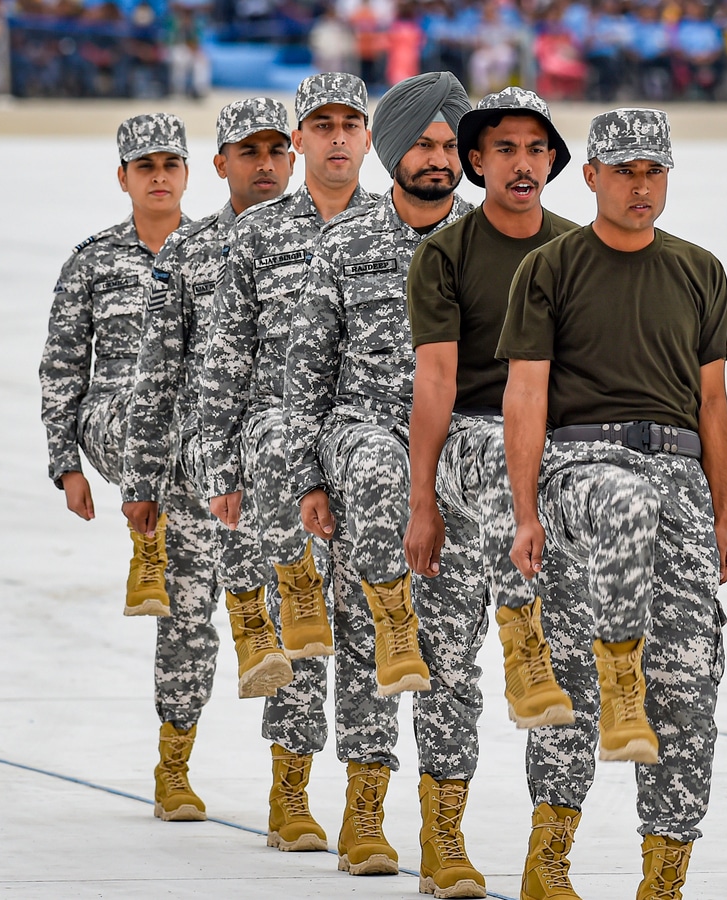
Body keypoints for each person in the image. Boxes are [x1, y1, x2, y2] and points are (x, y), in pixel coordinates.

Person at [498, 108, 727, 900]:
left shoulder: (699, 271)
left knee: (688, 680)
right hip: (583, 469)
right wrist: (525, 511)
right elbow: (525, 395)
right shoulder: (552, 268)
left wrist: (723, 516)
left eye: (653, 170)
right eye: (624, 170)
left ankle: (664, 878)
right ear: (592, 175)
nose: (640, 185)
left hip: (679, 479)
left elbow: (712, 402)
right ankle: (549, 861)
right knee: (571, 671)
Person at [197, 73, 396, 865]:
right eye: (322, 124)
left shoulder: (397, 230)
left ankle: (367, 814)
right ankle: (291, 793)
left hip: (368, 451)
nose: (338, 136)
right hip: (279, 455)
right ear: (300, 140)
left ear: (368, 138)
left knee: (376, 629)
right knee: (300, 628)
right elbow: (224, 355)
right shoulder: (257, 235)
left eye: (352, 122)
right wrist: (220, 466)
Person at [404, 86, 596, 900]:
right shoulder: (445, 256)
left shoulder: (583, 251)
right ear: (476, 163)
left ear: (554, 161)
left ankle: (550, 857)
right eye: (504, 149)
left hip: (553, 466)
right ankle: (443, 838)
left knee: (574, 672)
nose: (522, 164)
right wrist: (421, 501)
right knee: (448, 660)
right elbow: (435, 382)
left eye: (536, 149)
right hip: (469, 454)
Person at [283, 70, 474, 884]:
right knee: (367, 638)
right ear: (392, 150)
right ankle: (364, 812)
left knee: (454, 647)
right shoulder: (346, 243)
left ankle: (445, 834)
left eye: (450, 146)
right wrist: (307, 480)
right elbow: (305, 375)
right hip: (364, 441)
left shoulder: (490, 244)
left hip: (457, 459)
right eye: (423, 144)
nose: (439, 159)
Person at [120, 98, 314, 832]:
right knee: (189, 618)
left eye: (275, 150)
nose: (264, 165)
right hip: (200, 473)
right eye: (248, 152)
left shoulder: (322, 240)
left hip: (293, 471)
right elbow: (156, 373)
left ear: (292, 157)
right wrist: (141, 481)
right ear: (221, 163)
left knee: (300, 629)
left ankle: (290, 792)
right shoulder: (190, 251)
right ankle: (174, 765)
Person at [39, 113, 198, 815]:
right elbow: (62, 367)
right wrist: (65, 463)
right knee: (144, 403)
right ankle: (146, 534)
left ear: (188, 173)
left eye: (170, 164)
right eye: (145, 167)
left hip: (191, 449)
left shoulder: (216, 251)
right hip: (113, 422)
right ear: (123, 178)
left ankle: (174, 769)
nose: (159, 177)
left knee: (189, 608)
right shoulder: (93, 261)